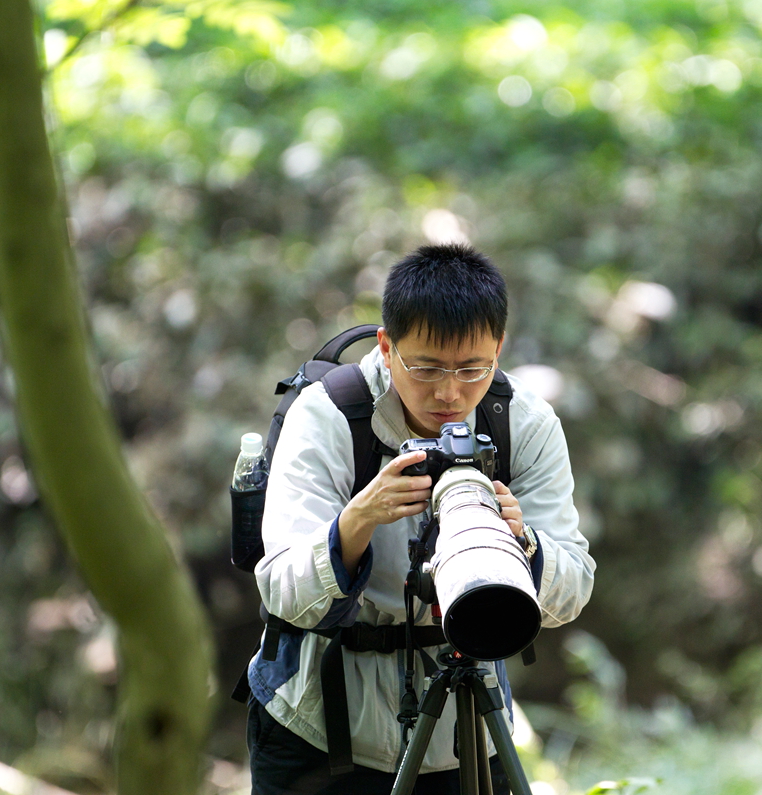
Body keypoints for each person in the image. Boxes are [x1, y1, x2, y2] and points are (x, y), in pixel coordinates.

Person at [247, 243, 595, 794]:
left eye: (473, 368)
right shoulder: (330, 416)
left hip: (465, 733)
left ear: (499, 349)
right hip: (318, 727)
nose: (450, 392)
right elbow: (282, 589)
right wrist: (357, 521)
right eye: (426, 367)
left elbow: (573, 587)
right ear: (387, 347)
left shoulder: (522, 424)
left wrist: (524, 545)